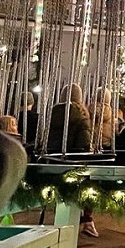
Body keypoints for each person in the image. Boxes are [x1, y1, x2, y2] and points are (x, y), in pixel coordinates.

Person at [46, 84, 97, 237]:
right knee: (90, 183)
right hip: (75, 161)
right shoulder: (81, 116)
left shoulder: (52, 114)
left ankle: (62, 219)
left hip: (53, 160)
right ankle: (88, 220)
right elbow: (84, 143)